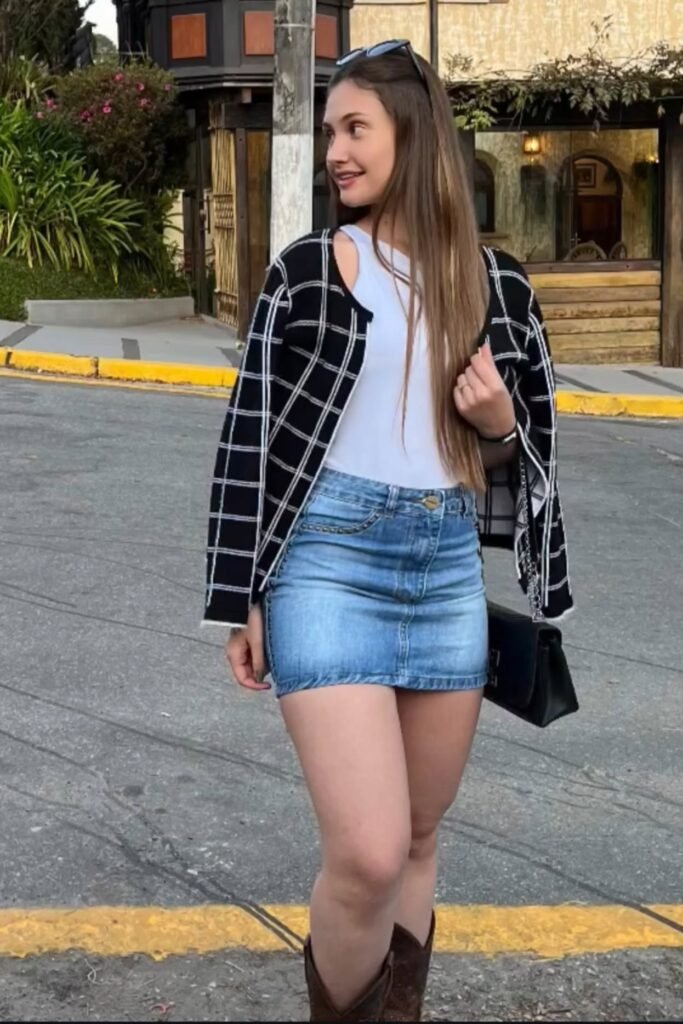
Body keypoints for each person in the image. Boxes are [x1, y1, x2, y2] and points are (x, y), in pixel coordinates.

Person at [203, 39, 573, 1022]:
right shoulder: (305, 277)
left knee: (413, 838)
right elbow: (248, 442)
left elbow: (527, 455)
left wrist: (498, 426)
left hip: (443, 566)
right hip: (324, 561)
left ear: (411, 140)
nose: (335, 149)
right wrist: (241, 591)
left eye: (354, 127)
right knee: (365, 851)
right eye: (329, 130)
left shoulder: (494, 290)